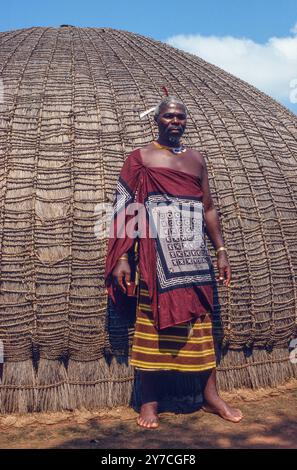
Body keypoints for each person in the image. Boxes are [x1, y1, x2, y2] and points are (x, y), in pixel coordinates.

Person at [105, 96, 243, 428]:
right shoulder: (140, 158)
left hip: (194, 257)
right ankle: (149, 403)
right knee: (152, 328)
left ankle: (210, 398)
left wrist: (221, 250)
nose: (175, 121)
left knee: (201, 329)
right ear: (157, 119)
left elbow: (208, 208)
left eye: (181, 116)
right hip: (156, 258)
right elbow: (124, 207)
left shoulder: (197, 160)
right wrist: (123, 256)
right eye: (168, 116)